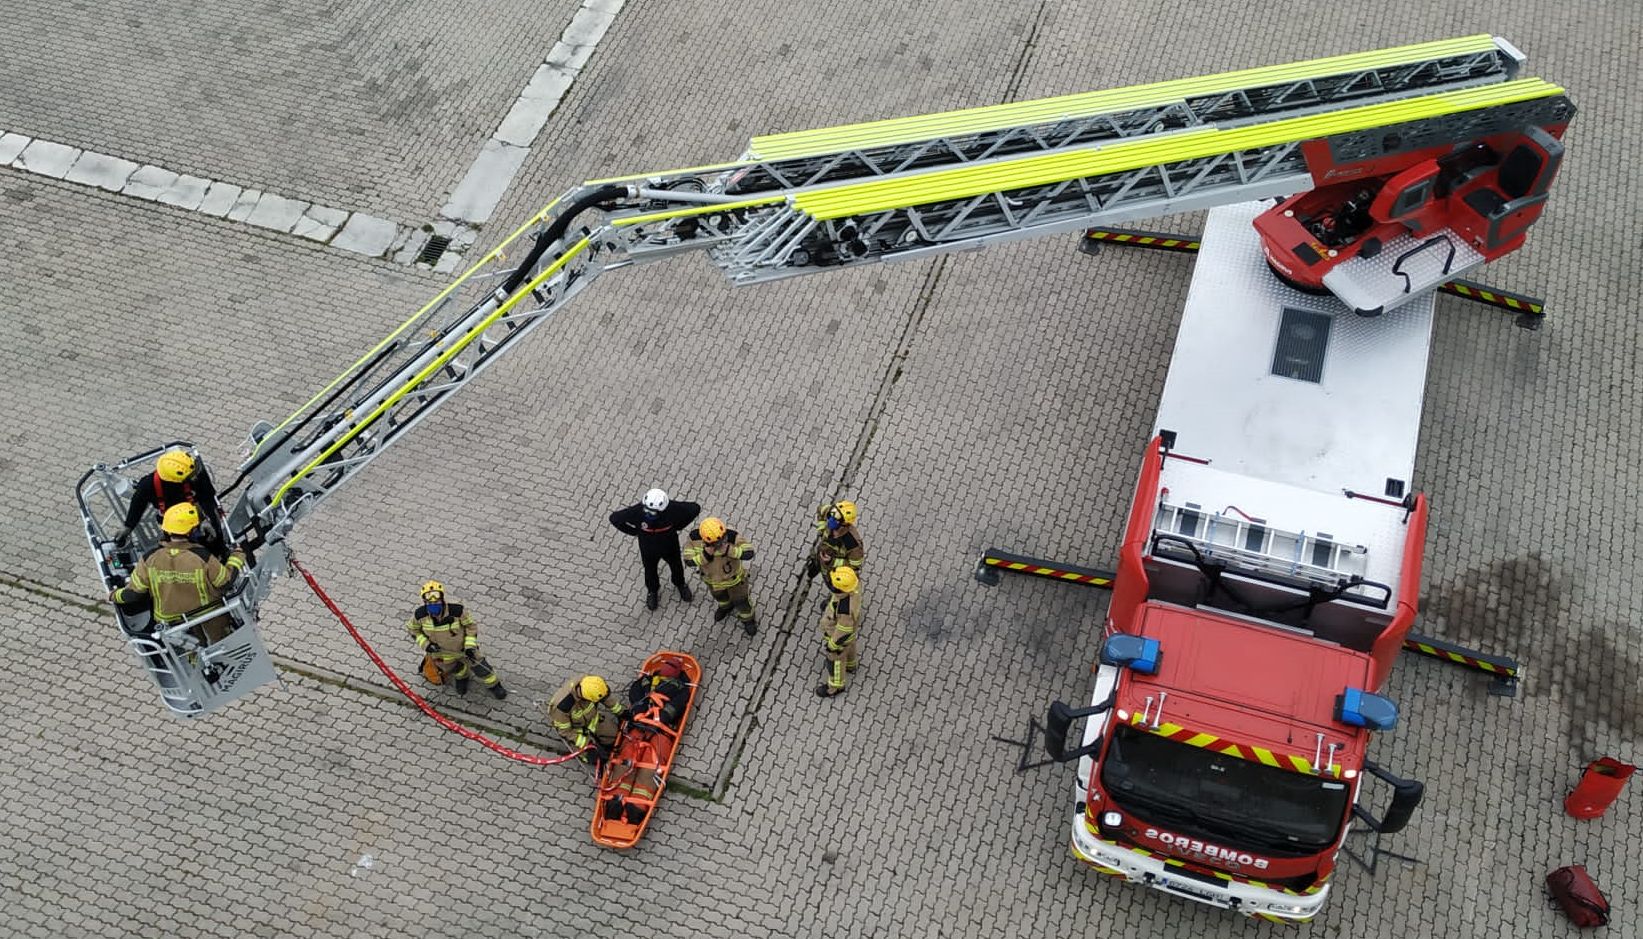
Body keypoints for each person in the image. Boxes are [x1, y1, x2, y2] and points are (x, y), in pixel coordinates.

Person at [110, 503, 247, 645]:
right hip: (208, 613)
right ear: (192, 531)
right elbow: (225, 582)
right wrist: (236, 557)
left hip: (172, 620)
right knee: (224, 644)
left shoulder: (149, 558)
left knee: (193, 648)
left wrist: (114, 595)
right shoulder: (202, 557)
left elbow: (133, 594)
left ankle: (195, 659)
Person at [405, 581, 507, 699]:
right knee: (455, 669)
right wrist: (427, 645)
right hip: (442, 654)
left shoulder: (457, 612)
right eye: (429, 603)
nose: (433, 605)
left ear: (442, 600)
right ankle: (462, 679)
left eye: (436, 601)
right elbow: (413, 630)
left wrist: (470, 646)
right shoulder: (420, 616)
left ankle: (494, 686)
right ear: (425, 602)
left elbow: (471, 626)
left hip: (464, 650)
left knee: (482, 668)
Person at [116, 448, 225, 554]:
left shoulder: (193, 472)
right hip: (173, 523)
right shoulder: (148, 485)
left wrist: (206, 520)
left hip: (196, 514)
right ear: (174, 480)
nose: (196, 477)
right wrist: (128, 526)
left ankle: (219, 553)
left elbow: (207, 498)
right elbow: (137, 504)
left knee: (213, 539)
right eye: (191, 477)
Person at [609, 488, 700, 611]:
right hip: (648, 549)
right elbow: (614, 518)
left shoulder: (672, 509)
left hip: (670, 546)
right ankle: (652, 591)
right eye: (647, 510)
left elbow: (695, 508)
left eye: (652, 512)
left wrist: (679, 525)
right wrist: (634, 532)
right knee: (650, 571)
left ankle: (680, 584)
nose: (648, 514)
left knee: (676, 567)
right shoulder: (638, 511)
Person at [683, 517, 757, 635]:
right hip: (713, 583)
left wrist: (730, 551)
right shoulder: (694, 538)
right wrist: (706, 555)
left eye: (722, 540)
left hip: (735, 582)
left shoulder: (732, 537)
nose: (720, 544)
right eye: (716, 543)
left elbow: (749, 553)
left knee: (742, 602)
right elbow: (688, 561)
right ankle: (726, 607)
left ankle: (748, 619)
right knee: (721, 598)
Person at [548, 674, 626, 765]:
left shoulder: (593, 684)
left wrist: (622, 712)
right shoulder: (562, 707)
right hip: (576, 731)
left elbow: (606, 698)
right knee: (594, 758)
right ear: (585, 697)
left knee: (616, 737)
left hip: (593, 720)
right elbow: (565, 732)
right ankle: (589, 755)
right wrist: (588, 744)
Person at [817, 566, 862, 698]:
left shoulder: (844, 610)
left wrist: (833, 646)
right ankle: (851, 665)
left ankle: (835, 687)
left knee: (835, 661)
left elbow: (843, 631)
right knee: (850, 646)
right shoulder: (854, 586)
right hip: (849, 634)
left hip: (839, 639)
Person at [803, 500, 865, 583]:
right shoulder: (832, 512)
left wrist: (832, 561)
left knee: (832, 583)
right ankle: (810, 576)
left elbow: (855, 566)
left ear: (844, 523)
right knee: (814, 568)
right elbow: (821, 510)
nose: (831, 519)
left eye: (835, 519)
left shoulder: (852, 544)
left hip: (832, 570)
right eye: (832, 514)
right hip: (820, 555)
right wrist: (822, 529)